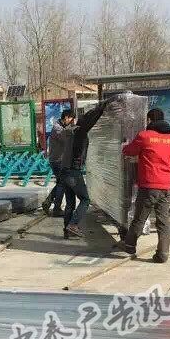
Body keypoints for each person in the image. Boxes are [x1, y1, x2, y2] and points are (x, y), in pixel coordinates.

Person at [116, 108, 170, 262]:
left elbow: (128, 151)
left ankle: (129, 245)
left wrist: (125, 145)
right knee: (163, 221)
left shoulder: (145, 136)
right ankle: (163, 254)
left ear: (149, 120)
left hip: (149, 185)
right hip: (167, 185)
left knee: (140, 218)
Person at [60, 99, 116, 239]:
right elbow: (89, 123)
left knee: (70, 204)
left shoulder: (69, 131)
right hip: (73, 171)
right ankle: (73, 225)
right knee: (85, 199)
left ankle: (67, 231)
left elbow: (87, 120)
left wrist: (97, 108)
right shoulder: (79, 132)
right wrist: (100, 110)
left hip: (64, 171)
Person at [41, 110, 75, 216]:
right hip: (57, 161)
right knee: (62, 184)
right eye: (71, 118)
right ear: (66, 117)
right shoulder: (57, 128)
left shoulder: (62, 127)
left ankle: (48, 202)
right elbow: (67, 139)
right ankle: (56, 208)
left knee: (61, 182)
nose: (71, 121)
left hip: (59, 160)